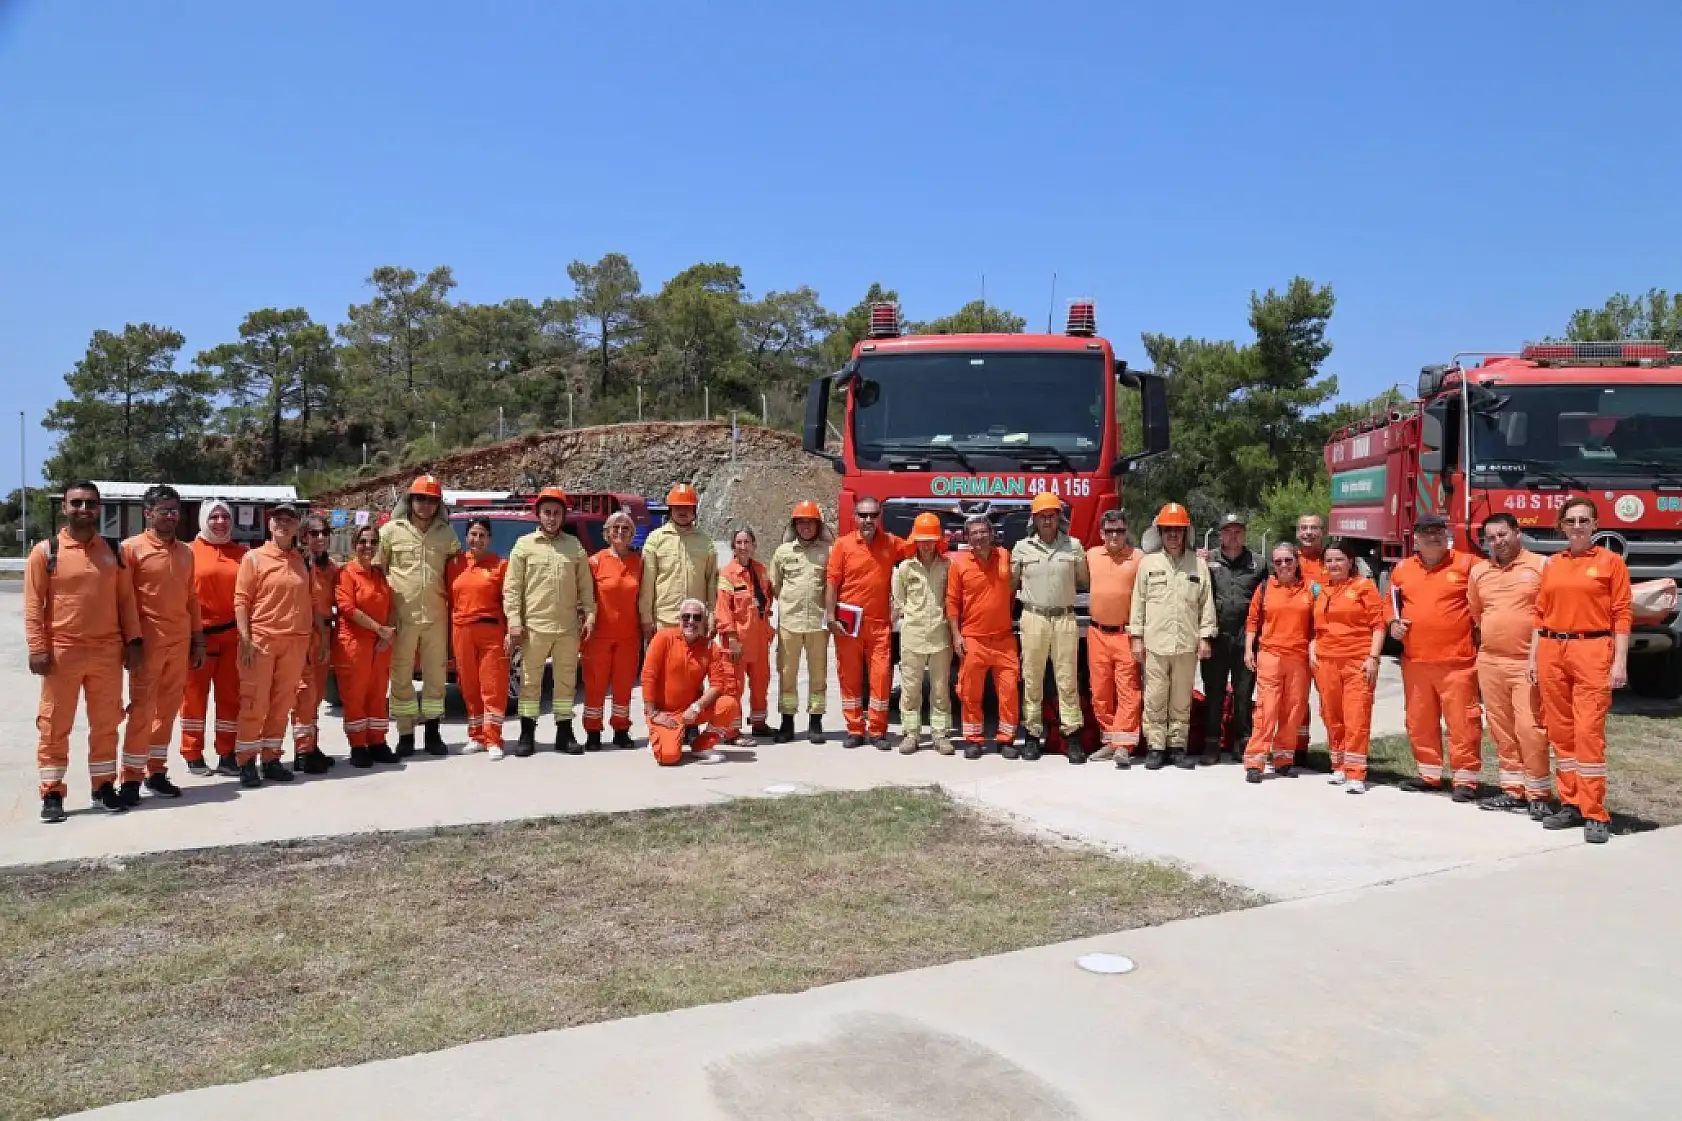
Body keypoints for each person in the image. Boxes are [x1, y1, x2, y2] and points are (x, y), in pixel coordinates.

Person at [25, 482, 143, 821]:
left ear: (99, 508)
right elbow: (34, 605)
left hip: (107, 652)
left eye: (89, 503)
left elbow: (126, 600)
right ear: (65, 508)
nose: (83, 508)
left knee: (106, 724)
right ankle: (52, 792)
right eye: (75, 503)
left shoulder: (114, 552)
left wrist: (133, 641)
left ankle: (103, 786)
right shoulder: (46, 552)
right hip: (62, 653)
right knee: (54, 725)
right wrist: (37, 648)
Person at [1531, 497, 1632, 845]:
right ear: (1561, 525)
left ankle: (1594, 812)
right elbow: (1539, 614)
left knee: (1588, 731)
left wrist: (1619, 662)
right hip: (1551, 649)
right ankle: (1570, 803)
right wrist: (1534, 657)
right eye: (1570, 520)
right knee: (1561, 731)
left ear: (1595, 524)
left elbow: (1621, 614)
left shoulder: (1611, 563)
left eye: (1583, 520)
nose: (1577, 526)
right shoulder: (1552, 564)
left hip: (1592, 649)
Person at [118, 484, 204, 804]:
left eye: (174, 511)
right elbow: (123, 600)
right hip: (147, 645)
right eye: (163, 510)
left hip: (179, 644)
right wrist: (131, 641)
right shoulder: (131, 550)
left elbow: (191, 599)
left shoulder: (185, 553)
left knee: (167, 712)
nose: (170, 516)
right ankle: (130, 778)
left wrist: (197, 639)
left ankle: (156, 772)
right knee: (141, 711)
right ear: (148, 513)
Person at [1387, 513, 1482, 801]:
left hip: (1458, 662)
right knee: (1419, 721)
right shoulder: (1402, 569)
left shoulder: (1468, 564)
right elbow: (1390, 605)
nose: (1433, 537)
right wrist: (1393, 624)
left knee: (1463, 723)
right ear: (1415, 539)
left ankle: (1465, 780)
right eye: (1426, 533)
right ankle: (1428, 775)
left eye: (1438, 531)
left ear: (1446, 535)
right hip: (1416, 662)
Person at [1469, 514, 1551, 818]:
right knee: (1502, 731)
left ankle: (1539, 793)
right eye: (1490, 538)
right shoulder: (1479, 572)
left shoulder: (1541, 566)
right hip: (1490, 661)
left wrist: (1535, 657)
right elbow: (1476, 614)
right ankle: (1512, 791)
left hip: (1527, 662)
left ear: (1518, 532)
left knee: (1530, 729)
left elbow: (1548, 614)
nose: (1497, 542)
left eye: (1502, 535)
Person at [505, 487, 595, 755]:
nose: (552, 518)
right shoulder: (524, 546)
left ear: (563, 516)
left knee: (566, 682)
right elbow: (512, 588)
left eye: (557, 513)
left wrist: (590, 614)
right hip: (534, 627)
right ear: (538, 515)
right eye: (547, 513)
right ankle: (526, 734)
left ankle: (564, 734)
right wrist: (514, 621)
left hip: (567, 627)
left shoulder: (574, 546)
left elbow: (585, 585)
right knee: (530, 682)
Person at [377, 474, 460, 756]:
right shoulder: (390, 532)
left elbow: (456, 574)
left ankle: (434, 732)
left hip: (437, 617)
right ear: (410, 500)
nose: (425, 505)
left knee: (436, 676)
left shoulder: (447, 535)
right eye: (420, 498)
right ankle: (406, 734)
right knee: (400, 675)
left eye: (432, 500)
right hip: (401, 617)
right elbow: (377, 573)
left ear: (438, 504)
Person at [1129, 504, 1216, 770]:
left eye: (1178, 531)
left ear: (1185, 533)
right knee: (1155, 696)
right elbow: (1138, 602)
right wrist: (1136, 637)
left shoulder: (1197, 564)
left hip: (1186, 644)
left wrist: (1205, 637)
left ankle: (1177, 746)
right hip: (1155, 643)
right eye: (1168, 530)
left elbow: (1206, 603)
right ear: (1160, 533)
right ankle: (1156, 746)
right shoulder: (1148, 564)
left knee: (1181, 698)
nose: (1173, 536)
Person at [233, 502, 313, 788]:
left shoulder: (300, 559)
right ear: (269, 525)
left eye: (289, 520)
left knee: (282, 703)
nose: (283, 524)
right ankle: (246, 761)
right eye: (278, 519)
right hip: (262, 642)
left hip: (295, 642)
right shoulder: (253, 558)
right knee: (255, 703)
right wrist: (245, 637)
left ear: (296, 527)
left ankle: (271, 758)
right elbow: (241, 600)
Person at [825, 496, 909, 748]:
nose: (868, 520)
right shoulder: (843, 545)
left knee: (881, 678)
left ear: (879, 517)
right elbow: (831, 582)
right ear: (855, 517)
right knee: (849, 678)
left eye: (873, 515)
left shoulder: (891, 542)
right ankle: (854, 730)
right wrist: (830, 617)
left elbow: (917, 549)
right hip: (848, 624)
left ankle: (877, 730)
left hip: (879, 624)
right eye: (863, 515)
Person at [1012, 492, 1089, 764]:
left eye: (1052, 515)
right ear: (1034, 518)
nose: (1047, 521)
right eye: (1042, 516)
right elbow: (1011, 586)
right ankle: (1032, 737)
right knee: (1031, 679)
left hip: (1064, 619)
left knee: (1067, 680)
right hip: (1033, 618)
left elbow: (1083, 580)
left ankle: (1073, 739)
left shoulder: (1074, 547)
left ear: (1059, 518)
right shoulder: (1021, 548)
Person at [1308, 541, 1385, 793]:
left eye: (1339, 559)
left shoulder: (1364, 587)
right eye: (1329, 560)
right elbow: (1315, 627)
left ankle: (1356, 773)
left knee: (1356, 717)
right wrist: (1313, 650)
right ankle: (1339, 766)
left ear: (1350, 561)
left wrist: (1373, 657)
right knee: (1332, 716)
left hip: (1357, 661)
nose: (1333, 565)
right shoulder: (1322, 590)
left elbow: (1378, 625)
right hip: (1326, 661)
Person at [181, 499, 247, 777]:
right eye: (214, 517)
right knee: (194, 697)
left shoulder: (244, 553)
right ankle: (192, 753)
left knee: (231, 698)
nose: (220, 522)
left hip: (233, 637)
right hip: (199, 638)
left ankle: (227, 753)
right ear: (203, 521)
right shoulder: (187, 552)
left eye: (225, 517)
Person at [947, 514, 1021, 760]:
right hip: (973, 639)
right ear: (967, 538)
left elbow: (1012, 590)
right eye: (974, 533)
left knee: (1009, 691)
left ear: (992, 534)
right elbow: (952, 602)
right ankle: (973, 739)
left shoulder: (1006, 557)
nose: (979, 537)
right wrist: (956, 635)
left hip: (1003, 639)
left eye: (983, 532)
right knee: (970, 692)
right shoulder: (959, 564)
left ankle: (1006, 739)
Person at [1241, 542, 1315, 783]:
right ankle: (1255, 760)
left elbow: (1321, 621)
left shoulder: (1311, 589)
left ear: (1297, 561)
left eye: (1288, 560)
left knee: (1293, 709)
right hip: (1270, 655)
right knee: (1266, 709)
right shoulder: (1265, 588)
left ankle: (1284, 758)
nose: (1284, 565)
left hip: (1299, 658)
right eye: (1279, 561)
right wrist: (1249, 649)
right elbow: (1253, 620)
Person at [641, 598, 742, 766]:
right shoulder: (663, 638)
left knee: (729, 704)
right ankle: (657, 736)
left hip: (691, 710)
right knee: (669, 757)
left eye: (696, 617)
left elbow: (718, 685)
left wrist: (697, 707)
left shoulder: (710, 647)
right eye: (686, 617)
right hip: (664, 713)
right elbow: (648, 676)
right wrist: (654, 713)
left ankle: (701, 746)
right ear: (679, 619)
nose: (690, 621)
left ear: (703, 621)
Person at [768, 500, 832, 744]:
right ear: (794, 525)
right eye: (801, 522)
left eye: (811, 522)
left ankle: (815, 723)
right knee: (787, 674)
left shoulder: (828, 552)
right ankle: (787, 723)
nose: (806, 526)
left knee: (818, 675)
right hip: (789, 624)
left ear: (818, 525)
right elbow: (775, 586)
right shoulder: (783, 552)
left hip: (818, 623)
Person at [1203, 513, 1265, 765]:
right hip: (1217, 636)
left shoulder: (1258, 564)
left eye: (1238, 531)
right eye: (1228, 531)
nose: (1233, 536)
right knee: (1214, 693)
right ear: (1220, 535)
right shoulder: (1208, 561)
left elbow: (1266, 600)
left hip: (1246, 638)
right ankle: (1211, 744)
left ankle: (1243, 742)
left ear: (1245, 533)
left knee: (1243, 693)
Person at [446, 517, 510, 758]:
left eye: (482, 535)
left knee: (492, 685)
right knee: (469, 686)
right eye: (473, 534)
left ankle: (493, 738)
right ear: (466, 537)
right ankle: (476, 736)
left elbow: (508, 601)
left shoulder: (500, 565)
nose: (477, 539)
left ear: (490, 539)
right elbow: (450, 599)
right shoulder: (456, 564)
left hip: (490, 631)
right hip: (461, 630)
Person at [335, 525, 397, 767]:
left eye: (372, 542)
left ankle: (378, 742)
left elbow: (391, 606)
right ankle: (358, 745)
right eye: (363, 541)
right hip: (354, 642)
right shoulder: (347, 574)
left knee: (378, 695)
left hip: (380, 644)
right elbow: (348, 608)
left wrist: (387, 633)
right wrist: (379, 629)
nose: (368, 547)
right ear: (354, 545)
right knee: (355, 695)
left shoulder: (379, 575)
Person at [1086, 509, 1142, 767]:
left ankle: (1124, 746)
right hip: (1097, 633)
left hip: (1125, 634)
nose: (1115, 536)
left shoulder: (1139, 558)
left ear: (1126, 531)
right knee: (1100, 691)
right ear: (1101, 533)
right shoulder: (1091, 556)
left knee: (1128, 691)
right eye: (1110, 531)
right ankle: (1109, 741)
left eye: (1120, 530)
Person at [892, 513, 952, 754]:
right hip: (913, 637)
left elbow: (953, 599)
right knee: (911, 690)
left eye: (931, 540)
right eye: (922, 540)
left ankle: (940, 735)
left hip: (940, 637)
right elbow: (899, 602)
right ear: (914, 540)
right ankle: (911, 734)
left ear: (938, 541)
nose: (926, 545)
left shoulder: (948, 567)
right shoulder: (905, 569)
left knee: (940, 689)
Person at [582, 510, 642, 750]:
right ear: (606, 533)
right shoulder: (595, 562)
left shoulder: (639, 563)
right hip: (599, 636)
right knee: (595, 685)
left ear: (632, 535)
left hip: (629, 635)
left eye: (625, 529)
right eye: (615, 528)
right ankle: (593, 732)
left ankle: (621, 729)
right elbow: (585, 598)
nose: (620, 532)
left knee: (623, 684)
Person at [288, 513, 340, 774]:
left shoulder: (329, 567)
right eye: (313, 534)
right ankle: (303, 751)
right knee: (303, 696)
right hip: (304, 637)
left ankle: (311, 746)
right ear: (303, 537)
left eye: (324, 533)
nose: (320, 538)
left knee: (316, 696)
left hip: (323, 638)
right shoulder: (298, 564)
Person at [716, 527, 776, 743]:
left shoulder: (761, 570)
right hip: (737, 640)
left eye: (747, 542)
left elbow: (768, 599)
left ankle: (759, 723)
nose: (743, 546)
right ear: (733, 546)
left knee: (761, 683)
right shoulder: (727, 574)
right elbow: (723, 609)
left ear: (754, 545)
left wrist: (769, 629)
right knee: (734, 686)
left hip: (759, 639)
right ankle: (732, 732)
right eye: (739, 542)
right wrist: (731, 638)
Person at [639, 483, 718, 636]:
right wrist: (646, 616)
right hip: (664, 620)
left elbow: (711, 583)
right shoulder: (655, 539)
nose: (682, 511)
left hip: (696, 621)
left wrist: (712, 615)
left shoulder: (705, 542)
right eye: (677, 507)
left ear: (694, 511)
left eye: (687, 508)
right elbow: (647, 582)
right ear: (670, 510)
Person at [1295, 514, 1329, 586]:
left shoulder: (1333, 560)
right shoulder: (1288, 561)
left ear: (1323, 532)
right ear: (1297, 533)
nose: (1309, 532)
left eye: (1314, 528)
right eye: (1304, 528)